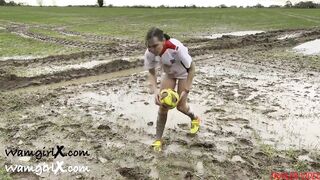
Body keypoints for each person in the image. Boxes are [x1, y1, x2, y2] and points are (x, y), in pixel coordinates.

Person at [143, 27, 201, 151]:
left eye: (155, 46)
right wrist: (156, 91)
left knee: (180, 106)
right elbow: (152, 73)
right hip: (169, 74)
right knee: (163, 105)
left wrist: (186, 89)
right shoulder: (149, 53)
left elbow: (192, 68)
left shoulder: (176, 47)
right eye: (149, 47)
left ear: (163, 40)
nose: (152, 50)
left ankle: (195, 118)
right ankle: (158, 139)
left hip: (184, 74)